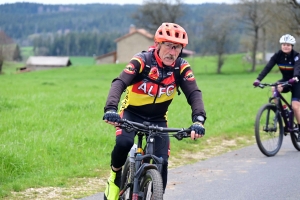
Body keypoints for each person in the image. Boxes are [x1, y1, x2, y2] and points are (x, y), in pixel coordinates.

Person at [103, 22, 206, 200]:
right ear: (157, 44)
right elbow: (119, 83)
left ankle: (156, 194)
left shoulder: (181, 68)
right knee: (124, 144)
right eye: (168, 45)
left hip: (158, 118)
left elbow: (194, 93)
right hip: (131, 113)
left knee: (162, 162)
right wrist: (111, 108)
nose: (172, 52)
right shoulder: (142, 61)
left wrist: (198, 120)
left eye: (177, 47)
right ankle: (115, 176)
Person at [253, 34, 300, 131]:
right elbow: (267, 68)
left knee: (295, 107)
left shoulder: (296, 56)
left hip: (297, 82)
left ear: (292, 46)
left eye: (288, 45)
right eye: (284, 44)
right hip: (286, 80)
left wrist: (295, 77)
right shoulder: (277, 55)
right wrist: (258, 80)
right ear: (281, 45)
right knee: (274, 88)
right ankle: (284, 110)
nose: (285, 46)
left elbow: (297, 68)